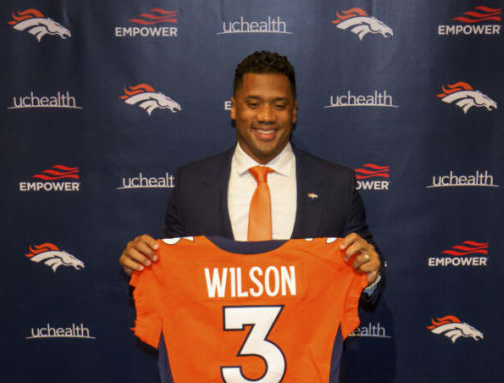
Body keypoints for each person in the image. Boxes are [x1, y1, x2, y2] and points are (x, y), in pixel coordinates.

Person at [120, 50, 383, 296]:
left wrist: (371, 276)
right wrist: (143, 268)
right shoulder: (190, 184)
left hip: (309, 346)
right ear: (234, 108)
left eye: (279, 105)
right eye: (253, 104)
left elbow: (366, 267)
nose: (266, 116)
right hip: (214, 345)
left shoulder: (337, 184)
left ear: (294, 112)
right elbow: (173, 278)